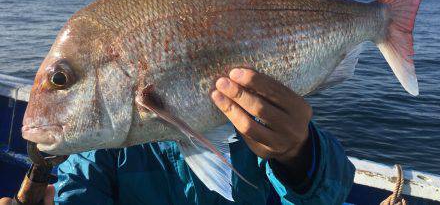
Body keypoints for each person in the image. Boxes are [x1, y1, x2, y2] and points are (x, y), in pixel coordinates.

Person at [1, 68, 355, 205]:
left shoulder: (250, 120)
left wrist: (299, 153)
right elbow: (80, 195)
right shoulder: (99, 143)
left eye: (61, 81)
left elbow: (330, 194)